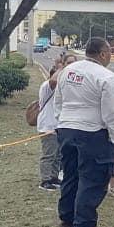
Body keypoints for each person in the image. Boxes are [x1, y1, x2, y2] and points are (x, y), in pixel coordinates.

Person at [53, 37, 114, 227]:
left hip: (67, 128)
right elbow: (112, 112)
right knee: (92, 180)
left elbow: (58, 100)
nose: (110, 56)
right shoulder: (106, 76)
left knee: (71, 175)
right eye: (109, 52)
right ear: (102, 54)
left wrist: (61, 121)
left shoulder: (68, 71)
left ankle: (67, 220)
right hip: (93, 132)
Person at [36, 53, 78, 190]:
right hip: (48, 126)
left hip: (61, 126)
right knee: (49, 154)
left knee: (58, 155)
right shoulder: (48, 86)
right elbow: (53, 81)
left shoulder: (66, 87)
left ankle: (53, 177)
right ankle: (45, 180)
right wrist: (63, 68)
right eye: (69, 63)